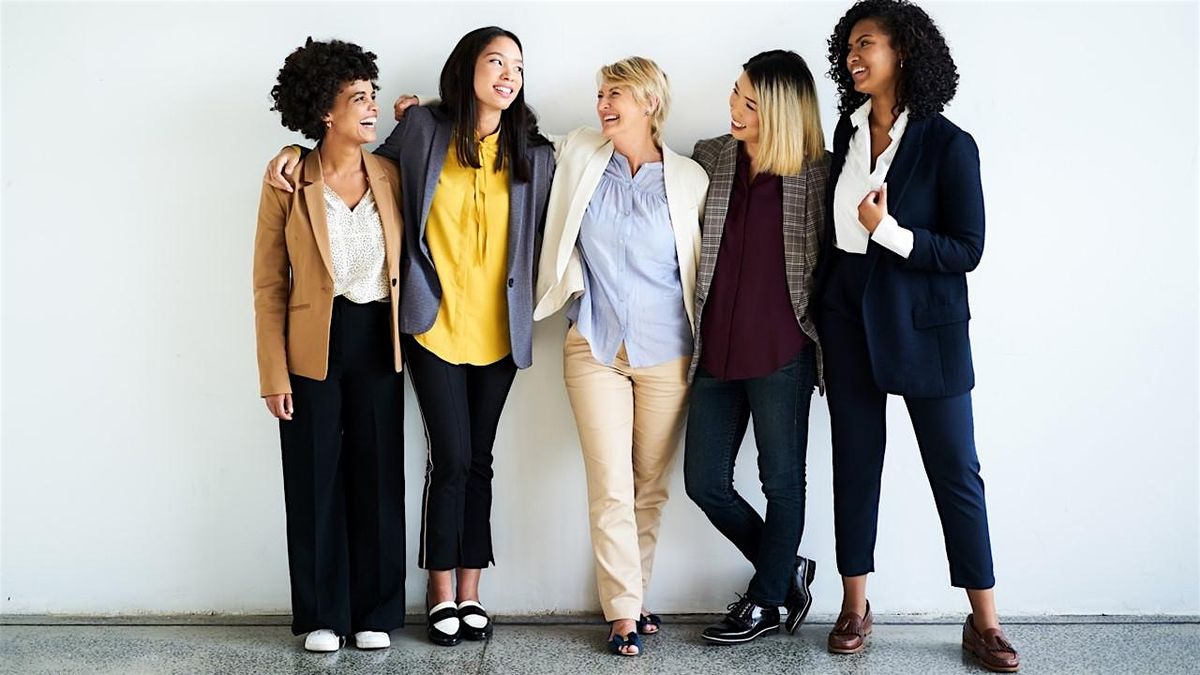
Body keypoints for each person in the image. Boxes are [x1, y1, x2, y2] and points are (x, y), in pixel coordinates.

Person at [264, 26, 555, 647]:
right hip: (370, 334)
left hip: (443, 336)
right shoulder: (388, 144)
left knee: (432, 469)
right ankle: (377, 606)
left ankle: (423, 605)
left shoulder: (509, 154)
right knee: (378, 469)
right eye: (495, 62)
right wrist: (290, 151)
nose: (509, 75)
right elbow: (275, 274)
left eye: (518, 66)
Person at [817, 1, 1019, 671]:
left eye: (866, 42)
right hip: (849, 319)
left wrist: (891, 232)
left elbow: (967, 247)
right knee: (855, 462)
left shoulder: (949, 143)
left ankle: (985, 621)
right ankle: (855, 604)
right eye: (848, 45)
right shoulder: (845, 136)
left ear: (903, 50)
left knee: (956, 471)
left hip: (925, 327)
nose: (853, 54)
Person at [532, 57, 707, 656]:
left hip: (668, 354)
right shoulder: (580, 152)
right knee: (610, 483)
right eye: (600, 93)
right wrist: (423, 113)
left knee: (647, 488)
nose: (603, 104)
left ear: (650, 102)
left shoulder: (690, 179)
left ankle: (635, 593)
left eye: (616, 95)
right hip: (595, 346)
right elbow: (508, 129)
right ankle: (623, 613)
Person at [254, 37, 405, 653]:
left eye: (373, 96)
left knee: (378, 478)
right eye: (358, 99)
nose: (372, 109)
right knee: (314, 479)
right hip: (311, 346)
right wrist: (273, 373)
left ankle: (374, 612)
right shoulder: (289, 178)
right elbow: (267, 282)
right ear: (324, 110)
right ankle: (322, 614)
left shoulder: (391, 174)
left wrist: (414, 106)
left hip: (379, 341)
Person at [682, 50, 827, 644]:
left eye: (751, 103)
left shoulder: (817, 172)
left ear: (783, 112)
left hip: (782, 350)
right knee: (704, 482)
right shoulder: (709, 156)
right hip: (714, 349)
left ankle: (768, 601)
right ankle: (785, 568)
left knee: (782, 483)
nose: (735, 109)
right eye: (735, 94)